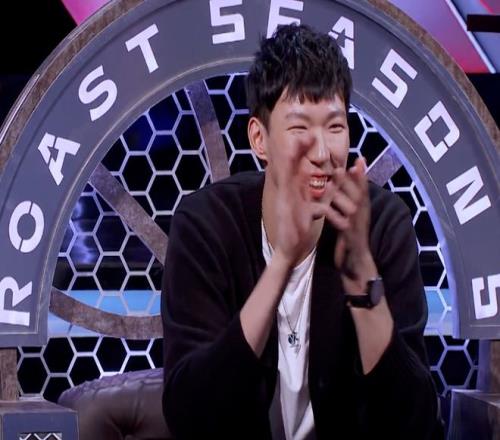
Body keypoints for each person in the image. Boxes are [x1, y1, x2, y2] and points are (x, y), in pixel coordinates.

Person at [161, 24, 442, 439]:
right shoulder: (206, 226)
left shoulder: (382, 225)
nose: (323, 152)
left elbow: (415, 424)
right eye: (299, 128)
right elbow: (190, 415)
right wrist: (281, 265)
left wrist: (362, 275)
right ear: (259, 138)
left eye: (335, 127)